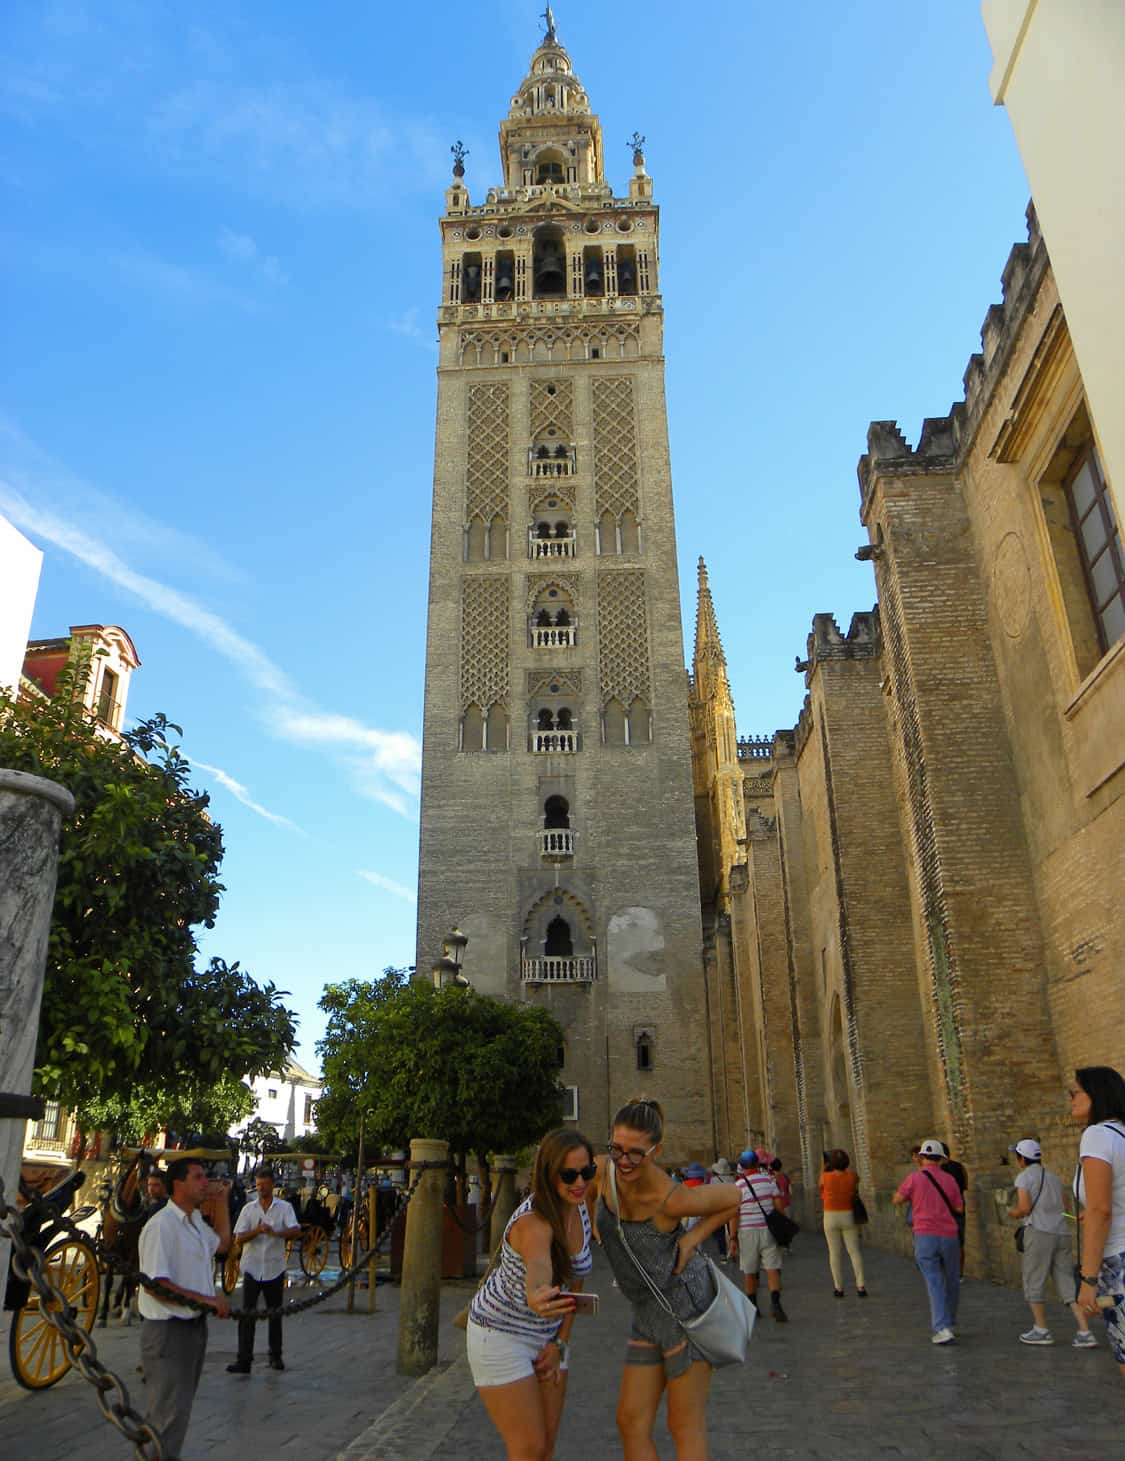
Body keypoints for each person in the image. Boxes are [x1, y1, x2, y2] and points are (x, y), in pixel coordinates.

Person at [588, 1099, 740, 1461]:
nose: (623, 1162)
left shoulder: (671, 1197)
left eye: (635, 1154)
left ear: (656, 1152)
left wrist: (691, 1239)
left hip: (686, 1313)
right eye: (616, 1149)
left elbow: (734, 1196)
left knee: (683, 1426)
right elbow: (576, 1181)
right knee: (630, 1421)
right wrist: (591, 1218)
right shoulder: (601, 1170)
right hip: (648, 1313)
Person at [467, 1127, 594, 1460]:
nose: (580, 1181)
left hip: (550, 1336)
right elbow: (540, 1266)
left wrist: (559, 1342)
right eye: (569, 1175)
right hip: (501, 1334)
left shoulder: (578, 1203)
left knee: (545, 1448)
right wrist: (538, 1294)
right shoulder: (532, 1223)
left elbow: (575, 1275)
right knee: (528, 1449)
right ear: (548, 1175)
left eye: (587, 1171)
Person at [137, 1157, 231, 1457]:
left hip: (192, 1329)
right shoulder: (162, 1226)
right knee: (166, 1415)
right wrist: (207, 1301)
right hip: (168, 1331)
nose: (206, 1182)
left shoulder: (195, 1224)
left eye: (205, 1176)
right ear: (177, 1184)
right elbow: (157, 1285)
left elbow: (223, 1245)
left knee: (178, 1414)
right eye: (198, 1177)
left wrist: (223, 1202)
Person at [1006, 1137, 1094, 1348]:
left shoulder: (1023, 1178)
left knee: (1034, 1280)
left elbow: (1025, 1208)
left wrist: (1012, 1212)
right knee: (1066, 1282)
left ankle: (1041, 1329)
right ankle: (1085, 1331)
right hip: (1061, 1233)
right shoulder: (1053, 1177)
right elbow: (1064, 1206)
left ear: (1021, 1159)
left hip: (1039, 1232)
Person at [1069, 1065, 1125, 1380]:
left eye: (1075, 1091)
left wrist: (1088, 1281)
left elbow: (1101, 1210)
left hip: (1118, 1262)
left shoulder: (1097, 1135)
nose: (1071, 1099)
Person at [227, 1165, 302, 1375]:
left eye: (264, 1185)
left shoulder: (284, 1208)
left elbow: (296, 1230)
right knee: (247, 1315)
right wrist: (257, 1231)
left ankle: (275, 1356)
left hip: (274, 1267)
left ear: (272, 1185)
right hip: (252, 1267)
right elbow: (239, 1237)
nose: (260, 1188)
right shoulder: (248, 1210)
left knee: (274, 1313)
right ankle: (244, 1359)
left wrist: (277, 1233)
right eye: (258, 1185)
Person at [892, 1138, 963, 1345]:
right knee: (951, 1280)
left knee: (934, 1280)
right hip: (949, 1235)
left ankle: (941, 1327)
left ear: (922, 1158)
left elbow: (897, 1199)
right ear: (941, 1159)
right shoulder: (950, 1180)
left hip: (925, 1235)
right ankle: (949, 1322)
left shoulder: (914, 1178)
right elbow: (959, 1209)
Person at [729, 1149, 788, 1322]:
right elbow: (778, 1206)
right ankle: (776, 1304)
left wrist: (732, 1238)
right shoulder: (768, 1180)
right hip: (768, 1230)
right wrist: (782, 1224)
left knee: (749, 1271)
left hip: (747, 1232)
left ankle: (753, 1308)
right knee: (772, 1268)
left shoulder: (738, 1186)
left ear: (742, 1166)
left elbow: (735, 1214)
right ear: (757, 1163)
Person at [818, 1149, 867, 1298]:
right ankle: (860, 1286)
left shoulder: (825, 1177)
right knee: (854, 1251)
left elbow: (819, 1184)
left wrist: (823, 1165)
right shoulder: (852, 1176)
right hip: (848, 1214)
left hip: (830, 1215)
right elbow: (856, 1181)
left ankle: (838, 1288)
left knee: (834, 1252)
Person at [939, 1141, 969, 1272]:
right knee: (960, 1242)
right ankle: (960, 1273)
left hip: (944, 1210)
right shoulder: (960, 1167)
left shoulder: (939, 1170)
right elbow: (966, 1186)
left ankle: (948, 1270)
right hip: (959, 1207)